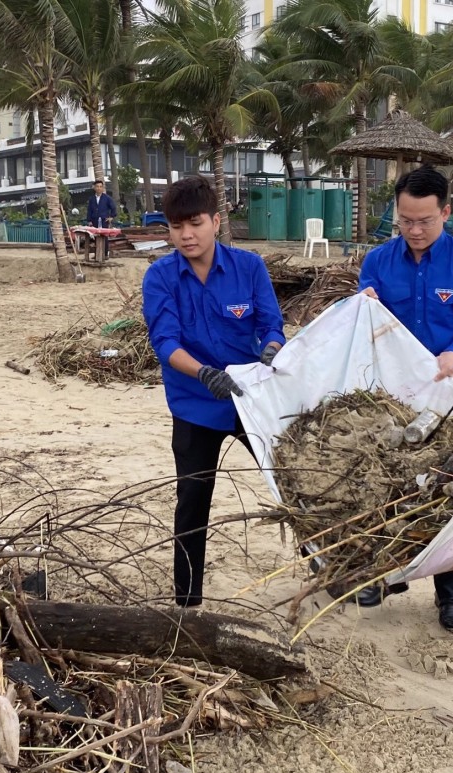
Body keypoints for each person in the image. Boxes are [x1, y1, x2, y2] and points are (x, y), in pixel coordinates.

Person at [357, 165, 453, 631]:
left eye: (425, 221)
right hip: (392, 395)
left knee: (448, 491)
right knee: (383, 481)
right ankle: (377, 573)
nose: (414, 231)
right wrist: (365, 306)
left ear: (446, 212)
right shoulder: (377, 261)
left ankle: (448, 592)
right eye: (405, 221)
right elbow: (363, 327)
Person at [142, 175, 285, 606]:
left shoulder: (249, 267)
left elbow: (270, 324)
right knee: (192, 499)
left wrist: (272, 349)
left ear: (216, 221)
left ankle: (325, 563)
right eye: (176, 226)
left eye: (196, 223)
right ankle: (188, 600)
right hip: (195, 405)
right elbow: (165, 343)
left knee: (293, 479)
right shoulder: (160, 277)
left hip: (252, 400)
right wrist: (204, 374)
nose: (186, 235)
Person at [87, 179, 118, 258]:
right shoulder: (92, 199)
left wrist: (111, 217)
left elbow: (113, 207)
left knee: (104, 237)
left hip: (104, 220)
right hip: (94, 220)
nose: (99, 188)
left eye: (100, 187)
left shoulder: (107, 198)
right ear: (94, 187)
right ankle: (97, 254)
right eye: (97, 186)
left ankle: (104, 254)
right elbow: (89, 210)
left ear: (103, 188)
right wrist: (89, 220)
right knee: (95, 237)